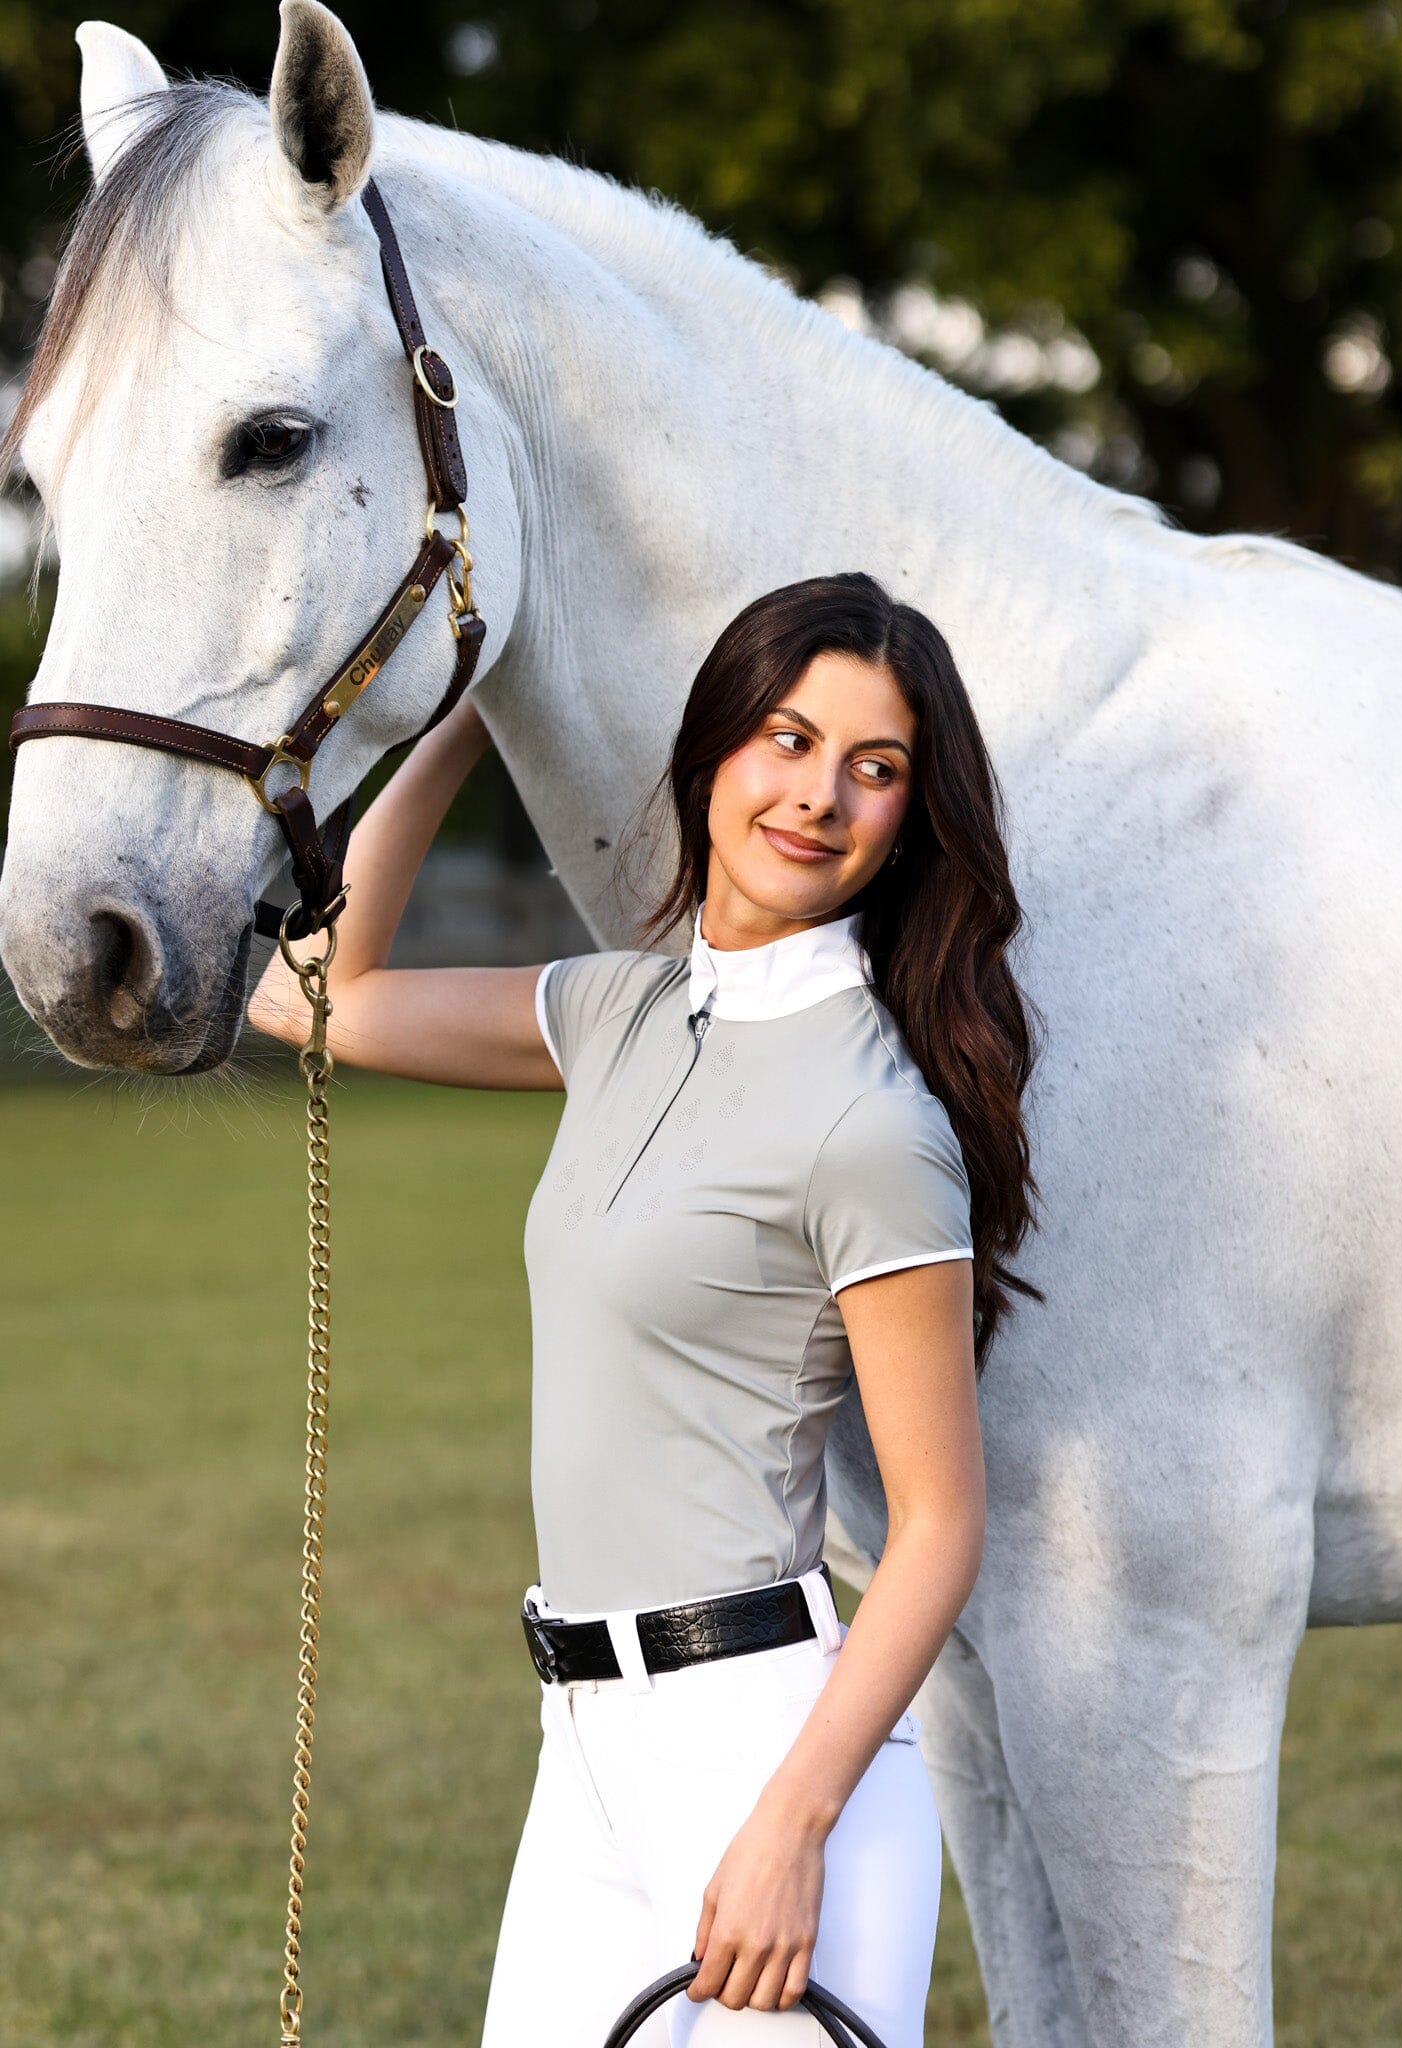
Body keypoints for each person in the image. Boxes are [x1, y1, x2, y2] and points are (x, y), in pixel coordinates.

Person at [248, 570, 1042, 2044]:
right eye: (788, 741)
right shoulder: (616, 1015)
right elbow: (305, 998)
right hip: (582, 1733)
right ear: (714, 750)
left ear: (906, 822)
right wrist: (459, 717)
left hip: (765, 1752)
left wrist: (789, 1827)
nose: (819, 795)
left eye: (875, 769)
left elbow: (936, 1528)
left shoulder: (870, 1121)